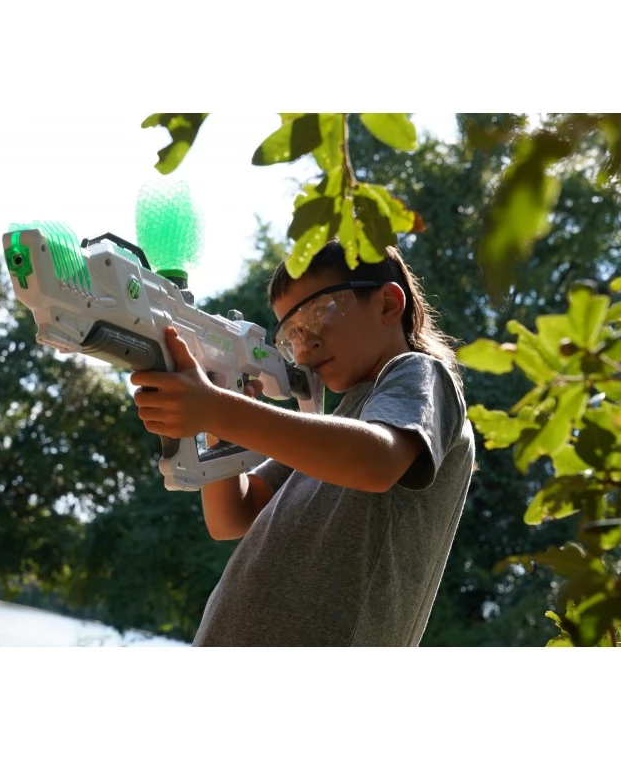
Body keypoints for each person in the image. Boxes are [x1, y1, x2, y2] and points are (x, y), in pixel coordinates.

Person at [129, 239, 475, 646]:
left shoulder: (421, 373)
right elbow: (232, 517)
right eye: (290, 334)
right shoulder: (333, 428)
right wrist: (220, 415)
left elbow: (376, 461)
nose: (304, 346)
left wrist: (217, 409)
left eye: (318, 312)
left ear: (387, 304)